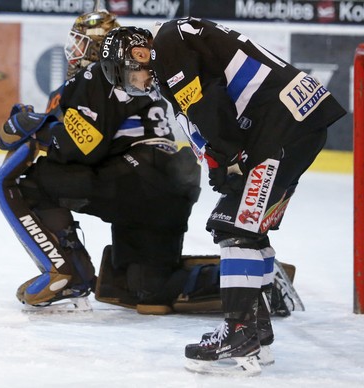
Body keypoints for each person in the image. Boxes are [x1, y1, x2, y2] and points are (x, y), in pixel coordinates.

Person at [100, 19, 347, 376]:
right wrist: (221, 160)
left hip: (281, 126)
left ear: (139, 53)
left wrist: (228, 158)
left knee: (235, 228)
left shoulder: (166, 46)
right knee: (250, 228)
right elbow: (210, 103)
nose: (134, 84)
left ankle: (239, 332)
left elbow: (206, 106)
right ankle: (256, 329)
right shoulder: (176, 39)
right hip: (291, 122)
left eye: (126, 75)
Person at [0, 10, 202, 314]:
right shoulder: (138, 73)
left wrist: (38, 130)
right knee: (147, 293)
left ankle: (68, 274)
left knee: (34, 184)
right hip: (173, 184)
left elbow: (78, 149)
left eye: (80, 44)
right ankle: (249, 279)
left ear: (98, 47)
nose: (74, 52)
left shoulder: (97, 75)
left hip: (139, 176)